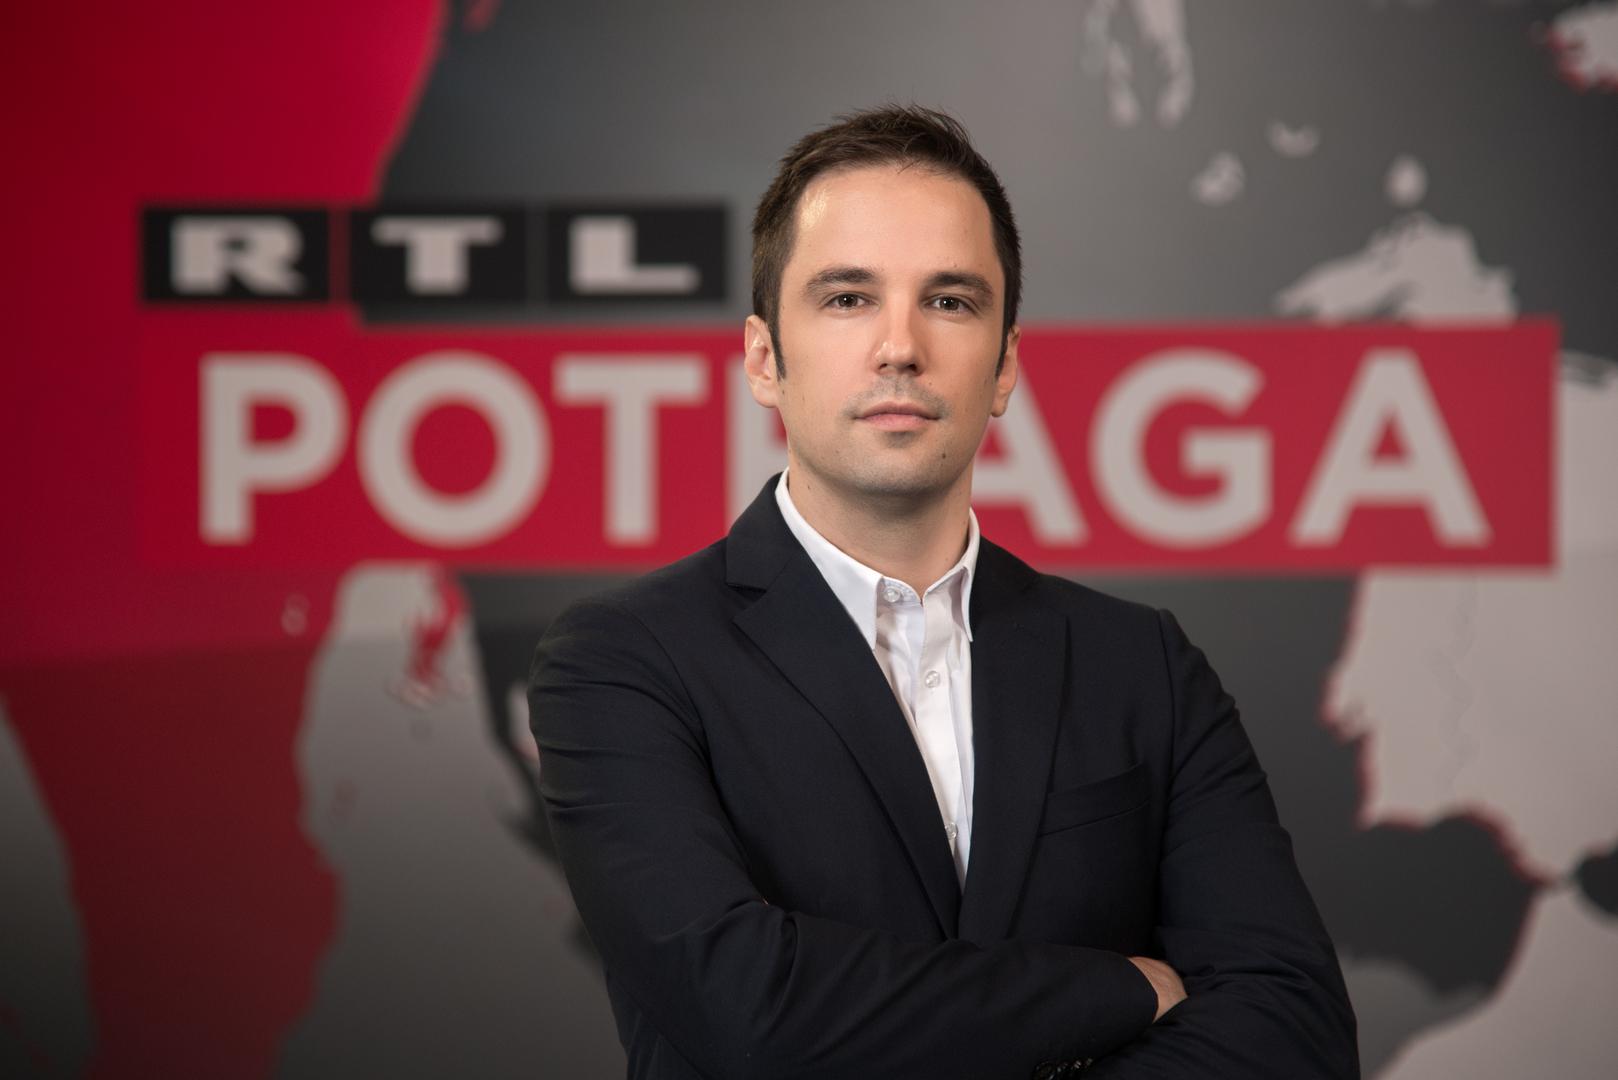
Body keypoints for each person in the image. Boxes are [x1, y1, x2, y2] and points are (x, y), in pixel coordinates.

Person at [529, 105, 1356, 1079]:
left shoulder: (1145, 667)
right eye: (847, 298)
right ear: (763, 359)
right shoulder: (623, 662)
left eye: (951, 301)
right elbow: (745, 1008)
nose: (899, 346)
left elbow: (1293, 1031)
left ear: (1004, 365)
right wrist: (1122, 989)